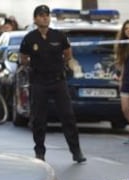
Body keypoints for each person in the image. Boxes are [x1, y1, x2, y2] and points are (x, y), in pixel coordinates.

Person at [19, 5, 86, 163]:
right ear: (35, 19)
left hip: (58, 81)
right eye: (41, 16)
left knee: (68, 116)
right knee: (39, 119)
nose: (45, 18)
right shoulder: (30, 38)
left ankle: (76, 151)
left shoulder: (58, 36)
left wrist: (68, 65)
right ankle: (40, 152)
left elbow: (68, 53)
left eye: (47, 15)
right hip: (39, 82)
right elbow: (23, 58)